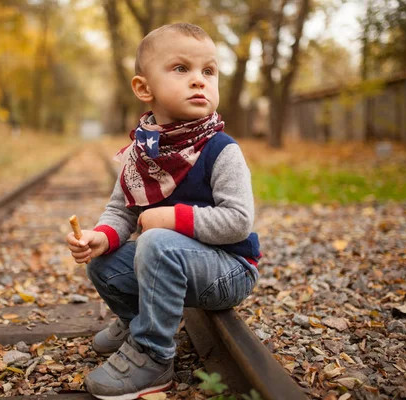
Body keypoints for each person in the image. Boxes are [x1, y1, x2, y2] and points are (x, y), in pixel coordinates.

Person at [66, 22, 261, 400]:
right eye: (180, 69)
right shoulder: (141, 153)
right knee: (104, 263)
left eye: (208, 71)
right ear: (144, 88)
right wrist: (100, 237)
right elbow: (120, 212)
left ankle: (153, 357)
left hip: (228, 269)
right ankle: (136, 323)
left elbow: (238, 222)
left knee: (155, 241)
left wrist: (172, 218)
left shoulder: (221, 150)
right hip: (175, 261)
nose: (198, 81)